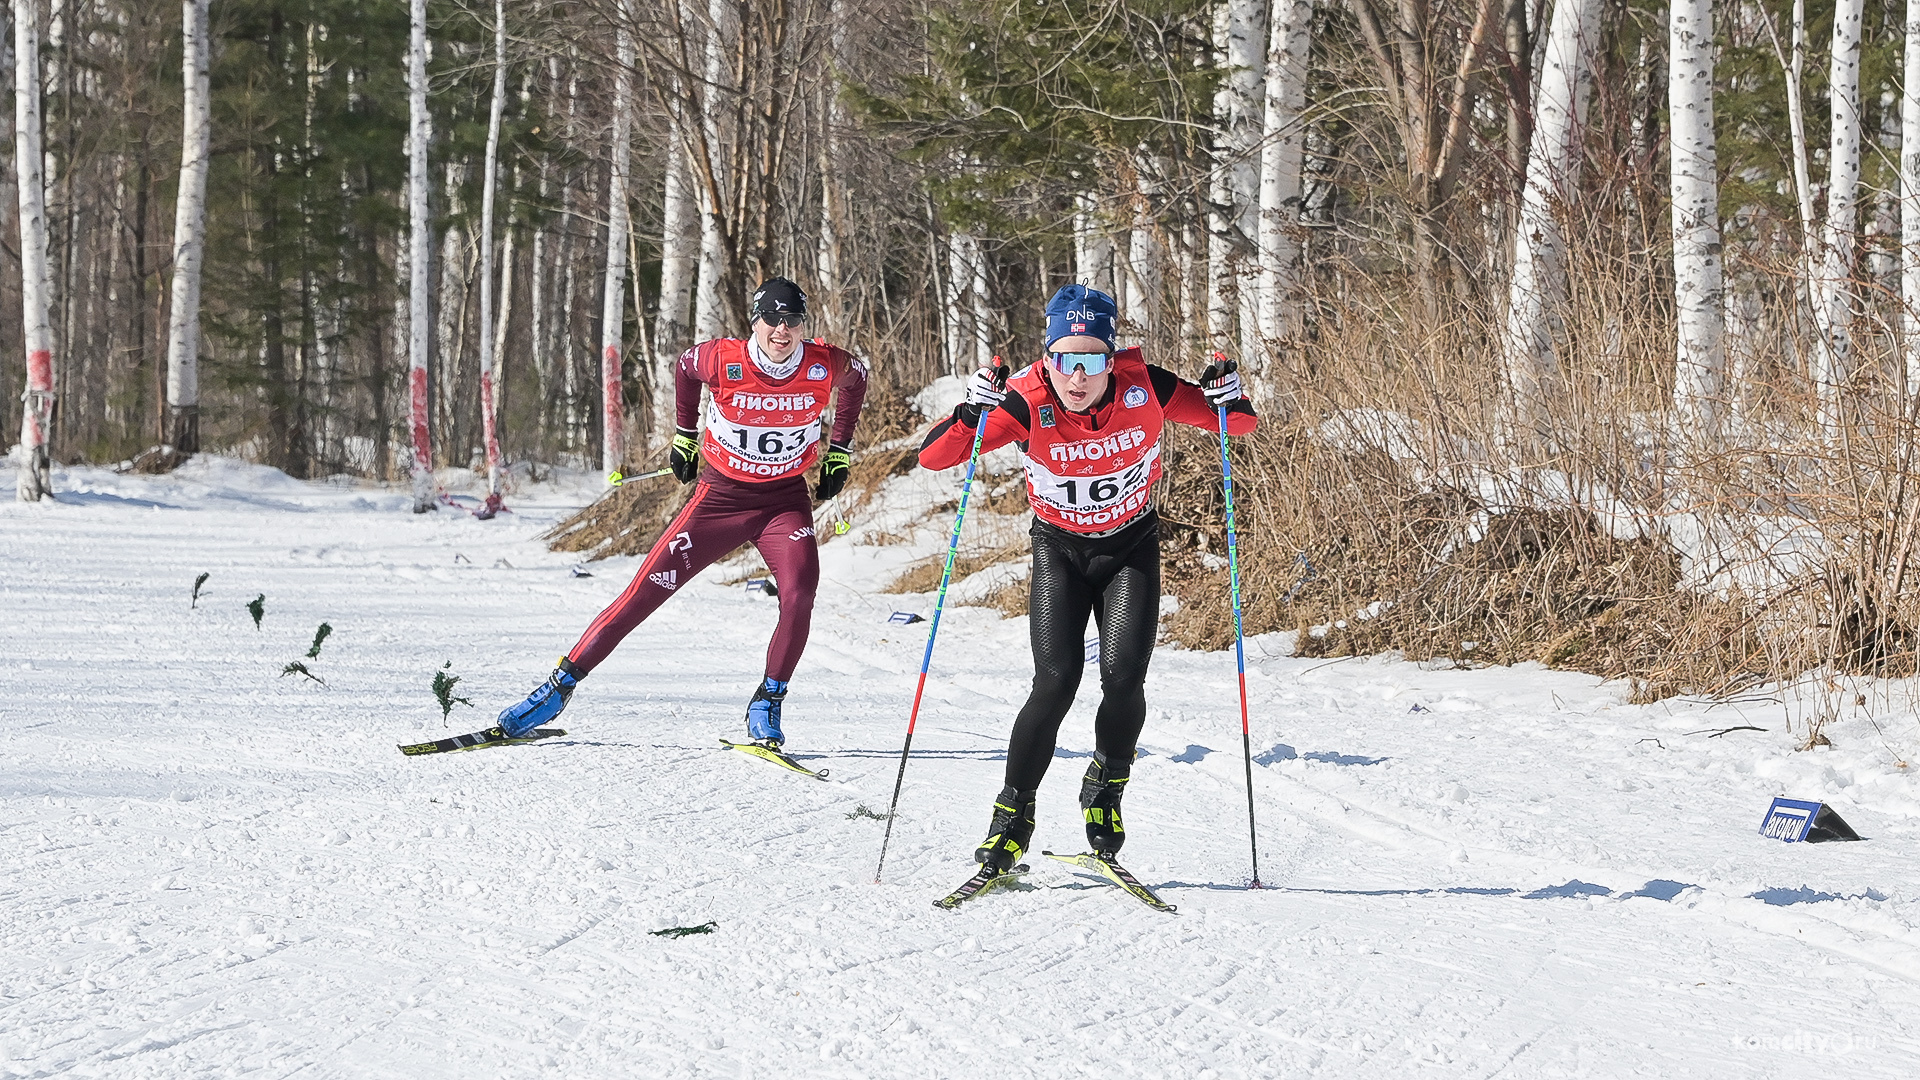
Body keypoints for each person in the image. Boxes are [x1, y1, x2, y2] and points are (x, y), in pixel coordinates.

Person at [917, 283, 1256, 874]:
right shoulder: (1025, 400)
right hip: (1060, 551)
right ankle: (1013, 814)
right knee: (1055, 681)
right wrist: (969, 414)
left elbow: (1239, 425)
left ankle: (1104, 789)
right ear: (1047, 359)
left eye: (1093, 360)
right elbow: (937, 458)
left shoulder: (1146, 386)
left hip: (1130, 547)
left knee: (1124, 680)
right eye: (1064, 360)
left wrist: (1229, 394)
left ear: (1111, 355)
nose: (1078, 376)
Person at [495, 277, 868, 746]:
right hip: (720, 499)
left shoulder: (824, 362)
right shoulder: (722, 357)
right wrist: (684, 435)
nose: (781, 330)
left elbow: (858, 378)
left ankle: (768, 701)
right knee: (643, 595)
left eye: (792, 320)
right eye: (771, 319)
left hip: (782, 502)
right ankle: (556, 689)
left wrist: (840, 449)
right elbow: (686, 369)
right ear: (755, 320)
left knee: (799, 595)